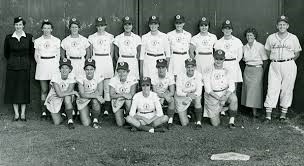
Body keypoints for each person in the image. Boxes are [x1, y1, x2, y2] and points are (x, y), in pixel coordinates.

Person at [264, 16, 302, 122]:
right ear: (277, 26)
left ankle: (283, 115)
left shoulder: (293, 38)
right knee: (272, 88)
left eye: (284, 24)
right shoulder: (271, 37)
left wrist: (288, 61)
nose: (282, 26)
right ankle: (268, 115)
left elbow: (297, 53)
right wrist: (275, 59)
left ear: (287, 26)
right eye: (280, 24)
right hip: (275, 64)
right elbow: (267, 51)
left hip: (289, 64)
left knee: (287, 88)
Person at [4, 16, 34, 121]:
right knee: (13, 89)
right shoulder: (9, 37)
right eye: (16, 24)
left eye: (20, 24)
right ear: (14, 25)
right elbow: (6, 53)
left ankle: (23, 114)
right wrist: (14, 60)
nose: (18, 26)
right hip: (12, 67)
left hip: (25, 67)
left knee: (24, 90)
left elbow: (31, 52)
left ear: (23, 25)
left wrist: (25, 61)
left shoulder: (29, 37)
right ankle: (16, 114)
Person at [203, 50, 238, 128]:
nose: (218, 61)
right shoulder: (208, 69)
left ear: (224, 59)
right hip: (213, 95)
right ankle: (221, 109)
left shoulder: (228, 69)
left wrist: (225, 97)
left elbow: (232, 86)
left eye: (221, 59)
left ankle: (231, 121)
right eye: (216, 58)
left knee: (234, 98)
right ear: (213, 58)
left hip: (224, 93)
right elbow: (208, 89)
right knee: (215, 124)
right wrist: (220, 99)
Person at [34, 19, 61, 120]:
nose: (46, 30)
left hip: (53, 66)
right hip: (42, 66)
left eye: (48, 28)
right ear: (42, 29)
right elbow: (36, 56)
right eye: (44, 28)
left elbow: (58, 56)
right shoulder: (37, 41)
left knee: (52, 89)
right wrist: (42, 63)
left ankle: (52, 111)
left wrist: (54, 65)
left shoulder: (56, 40)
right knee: (44, 90)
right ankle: (44, 112)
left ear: (51, 29)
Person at [88, 16, 114, 116]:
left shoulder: (110, 36)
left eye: (102, 25)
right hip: (97, 60)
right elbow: (90, 53)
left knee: (107, 87)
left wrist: (108, 61)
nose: (100, 28)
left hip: (106, 60)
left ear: (105, 26)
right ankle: (97, 107)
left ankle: (106, 109)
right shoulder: (92, 37)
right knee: (97, 85)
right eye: (98, 26)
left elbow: (112, 52)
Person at [241, 28, 268, 118]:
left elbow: (265, 61)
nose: (249, 37)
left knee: (255, 91)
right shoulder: (244, 47)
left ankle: (255, 113)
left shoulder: (260, 46)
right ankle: (249, 110)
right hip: (248, 69)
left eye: (251, 35)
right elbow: (243, 59)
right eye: (248, 35)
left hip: (257, 69)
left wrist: (261, 72)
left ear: (254, 36)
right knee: (247, 89)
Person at [45, 58, 78, 128]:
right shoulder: (55, 76)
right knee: (57, 122)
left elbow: (69, 92)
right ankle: (64, 114)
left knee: (67, 98)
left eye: (67, 68)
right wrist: (73, 92)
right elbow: (59, 94)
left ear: (70, 70)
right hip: (54, 95)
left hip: (65, 95)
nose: (64, 70)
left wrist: (71, 92)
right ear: (59, 69)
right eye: (62, 68)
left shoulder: (72, 76)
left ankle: (70, 120)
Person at [76, 59, 105, 128]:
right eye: (87, 69)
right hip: (84, 98)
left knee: (95, 101)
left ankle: (95, 120)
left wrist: (95, 96)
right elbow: (82, 94)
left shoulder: (99, 76)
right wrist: (95, 95)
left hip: (92, 97)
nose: (89, 71)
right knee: (86, 123)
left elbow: (100, 92)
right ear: (84, 70)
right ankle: (88, 111)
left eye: (91, 69)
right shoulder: (80, 77)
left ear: (94, 69)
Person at [175, 58, 203, 128]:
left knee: (198, 99)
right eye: (188, 67)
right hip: (182, 96)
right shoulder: (180, 75)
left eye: (192, 67)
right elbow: (178, 92)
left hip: (193, 95)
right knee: (184, 123)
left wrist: (190, 98)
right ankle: (189, 112)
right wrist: (187, 95)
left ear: (195, 66)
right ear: (185, 67)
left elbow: (199, 91)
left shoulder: (198, 75)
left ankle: (198, 122)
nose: (190, 69)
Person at [109, 62, 137, 126]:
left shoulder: (132, 78)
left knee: (128, 101)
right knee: (120, 124)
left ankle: (128, 117)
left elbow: (131, 95)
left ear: (128, 72)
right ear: (117, 72)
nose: (121, 74)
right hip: (118, 99)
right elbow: (112, 95)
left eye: (124, 71)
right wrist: (122, 95)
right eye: (119, 72)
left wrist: (122, 96)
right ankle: (122, 116)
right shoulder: (113, 79)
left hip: (127, 99)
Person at [151, 59, 175, 129]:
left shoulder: (170, 75)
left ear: (166, 68)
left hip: (166, 94)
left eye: (163, 67)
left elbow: (172, 92)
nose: (161, 70)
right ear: (157, 68)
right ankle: (156, 119)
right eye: (159, 67)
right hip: (156, 95)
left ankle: (170, 121)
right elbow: (154, 91)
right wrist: (162, 96)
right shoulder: (153, 76)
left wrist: (164, 96)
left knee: (171, 100)